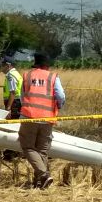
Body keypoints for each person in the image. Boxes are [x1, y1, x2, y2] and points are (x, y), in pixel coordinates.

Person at [19, 52, 65, 189]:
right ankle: (40, 182)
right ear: (47, 65)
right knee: (42, 151)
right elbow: (61, 96)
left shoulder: (27, 76)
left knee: (27, 147)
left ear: (36, 64)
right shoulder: (53, 76)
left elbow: (22, 96)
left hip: (29, 117)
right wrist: (58, 106)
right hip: (47, 118)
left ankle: (43, 175)